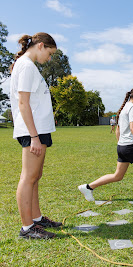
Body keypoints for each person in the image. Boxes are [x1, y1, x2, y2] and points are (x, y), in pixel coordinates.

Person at [10, 33, 61, 239]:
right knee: (28, 177)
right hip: (33, 132)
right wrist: (33, 137)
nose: (49, 58)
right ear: (41, 46)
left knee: (35, 177)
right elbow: (23, 103)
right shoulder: (26, 66)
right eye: (49, 53)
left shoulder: (30, 67)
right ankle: (27, 228)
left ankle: (37, 219)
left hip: (40, 130)